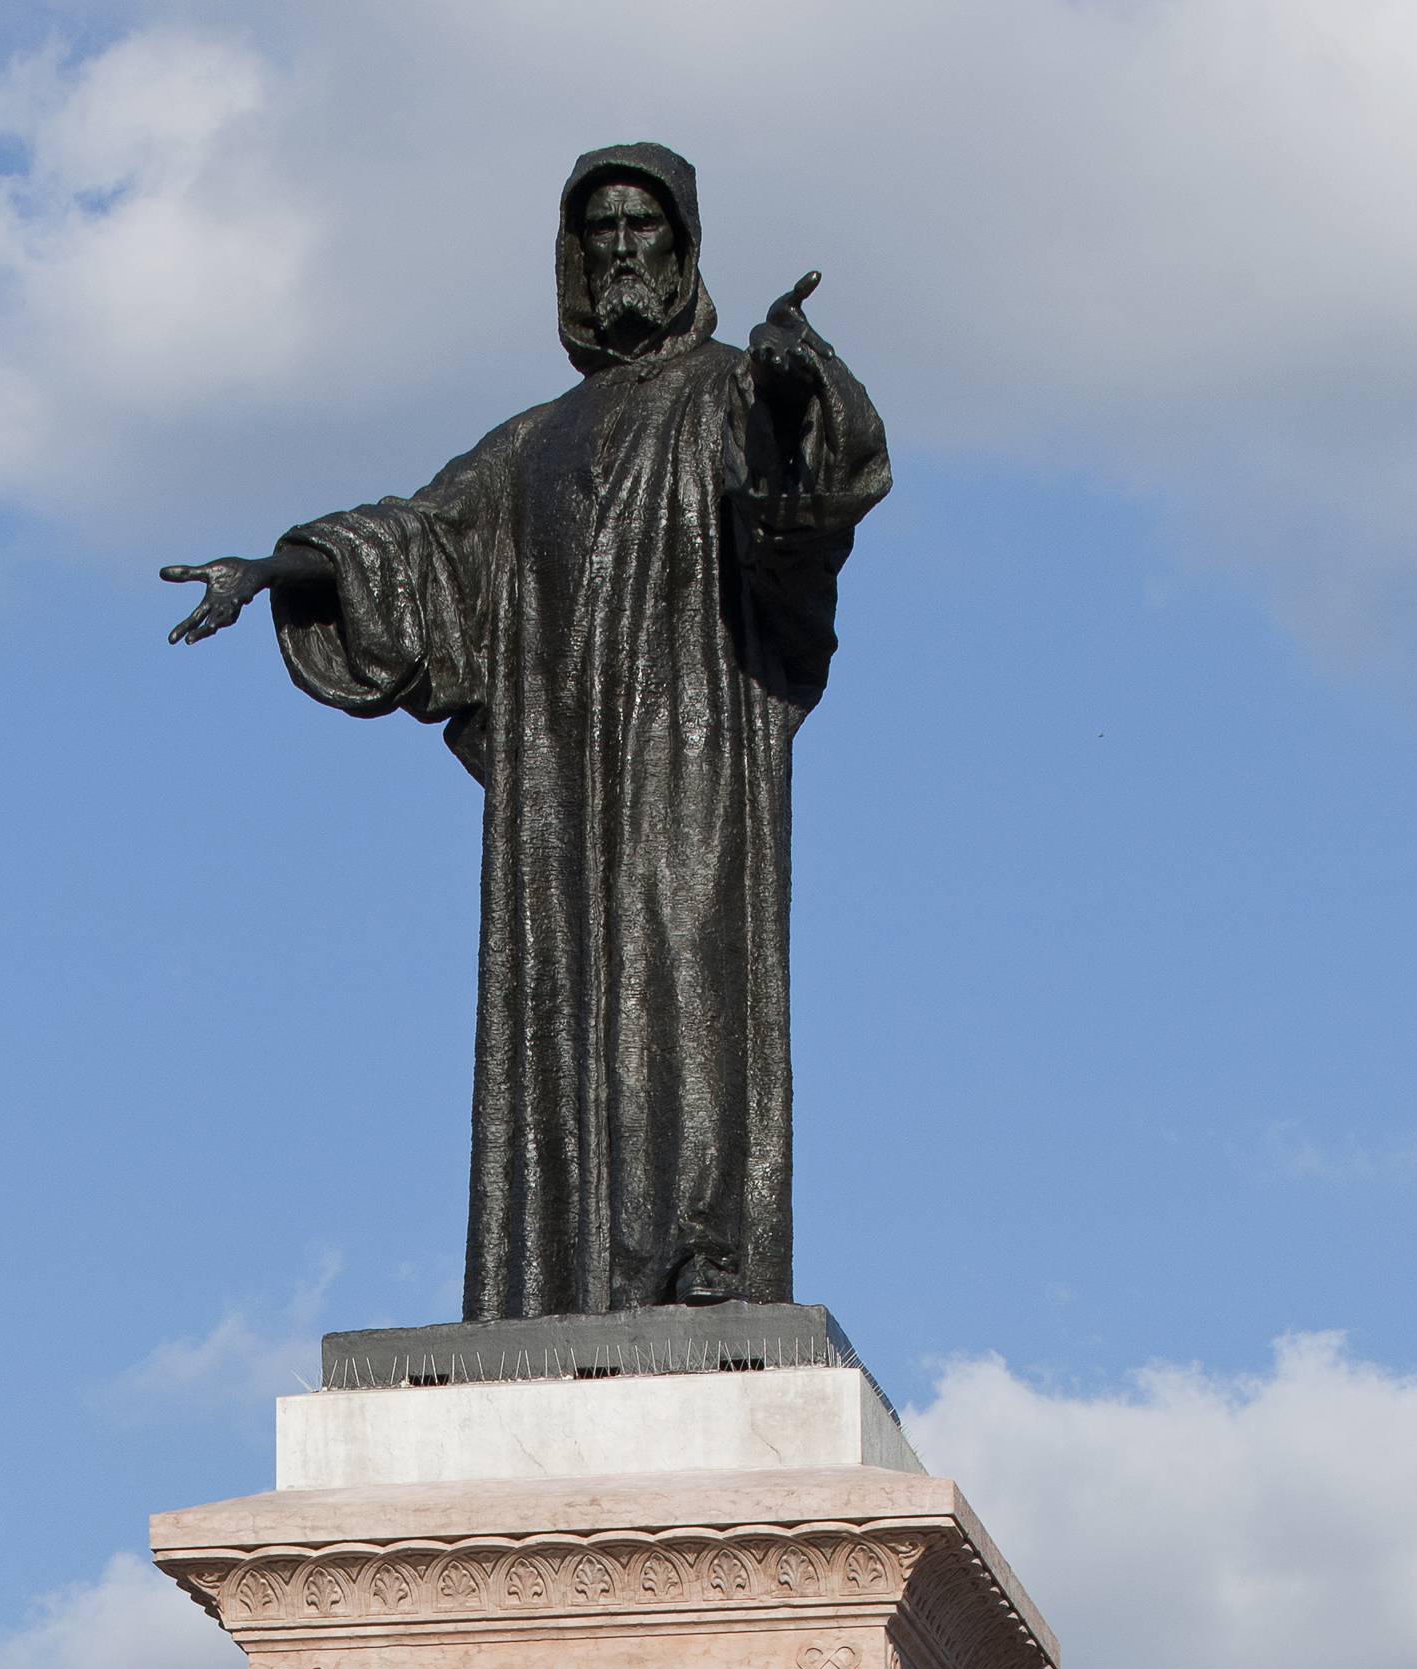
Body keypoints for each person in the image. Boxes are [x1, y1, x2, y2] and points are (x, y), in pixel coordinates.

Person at [159, 149, 887, 1322]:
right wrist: (274, 568)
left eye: (639, 226)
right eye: (595, 230)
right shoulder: (535, 440)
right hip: (556, 780)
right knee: (554, 1000)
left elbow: (813, 492)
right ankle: (553, 1281)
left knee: (683, 970)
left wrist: (806, 385)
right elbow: (419, 535)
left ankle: (700, 1260)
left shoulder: (728, 393)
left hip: (688, 752)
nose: (617, 250)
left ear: (682, 245)